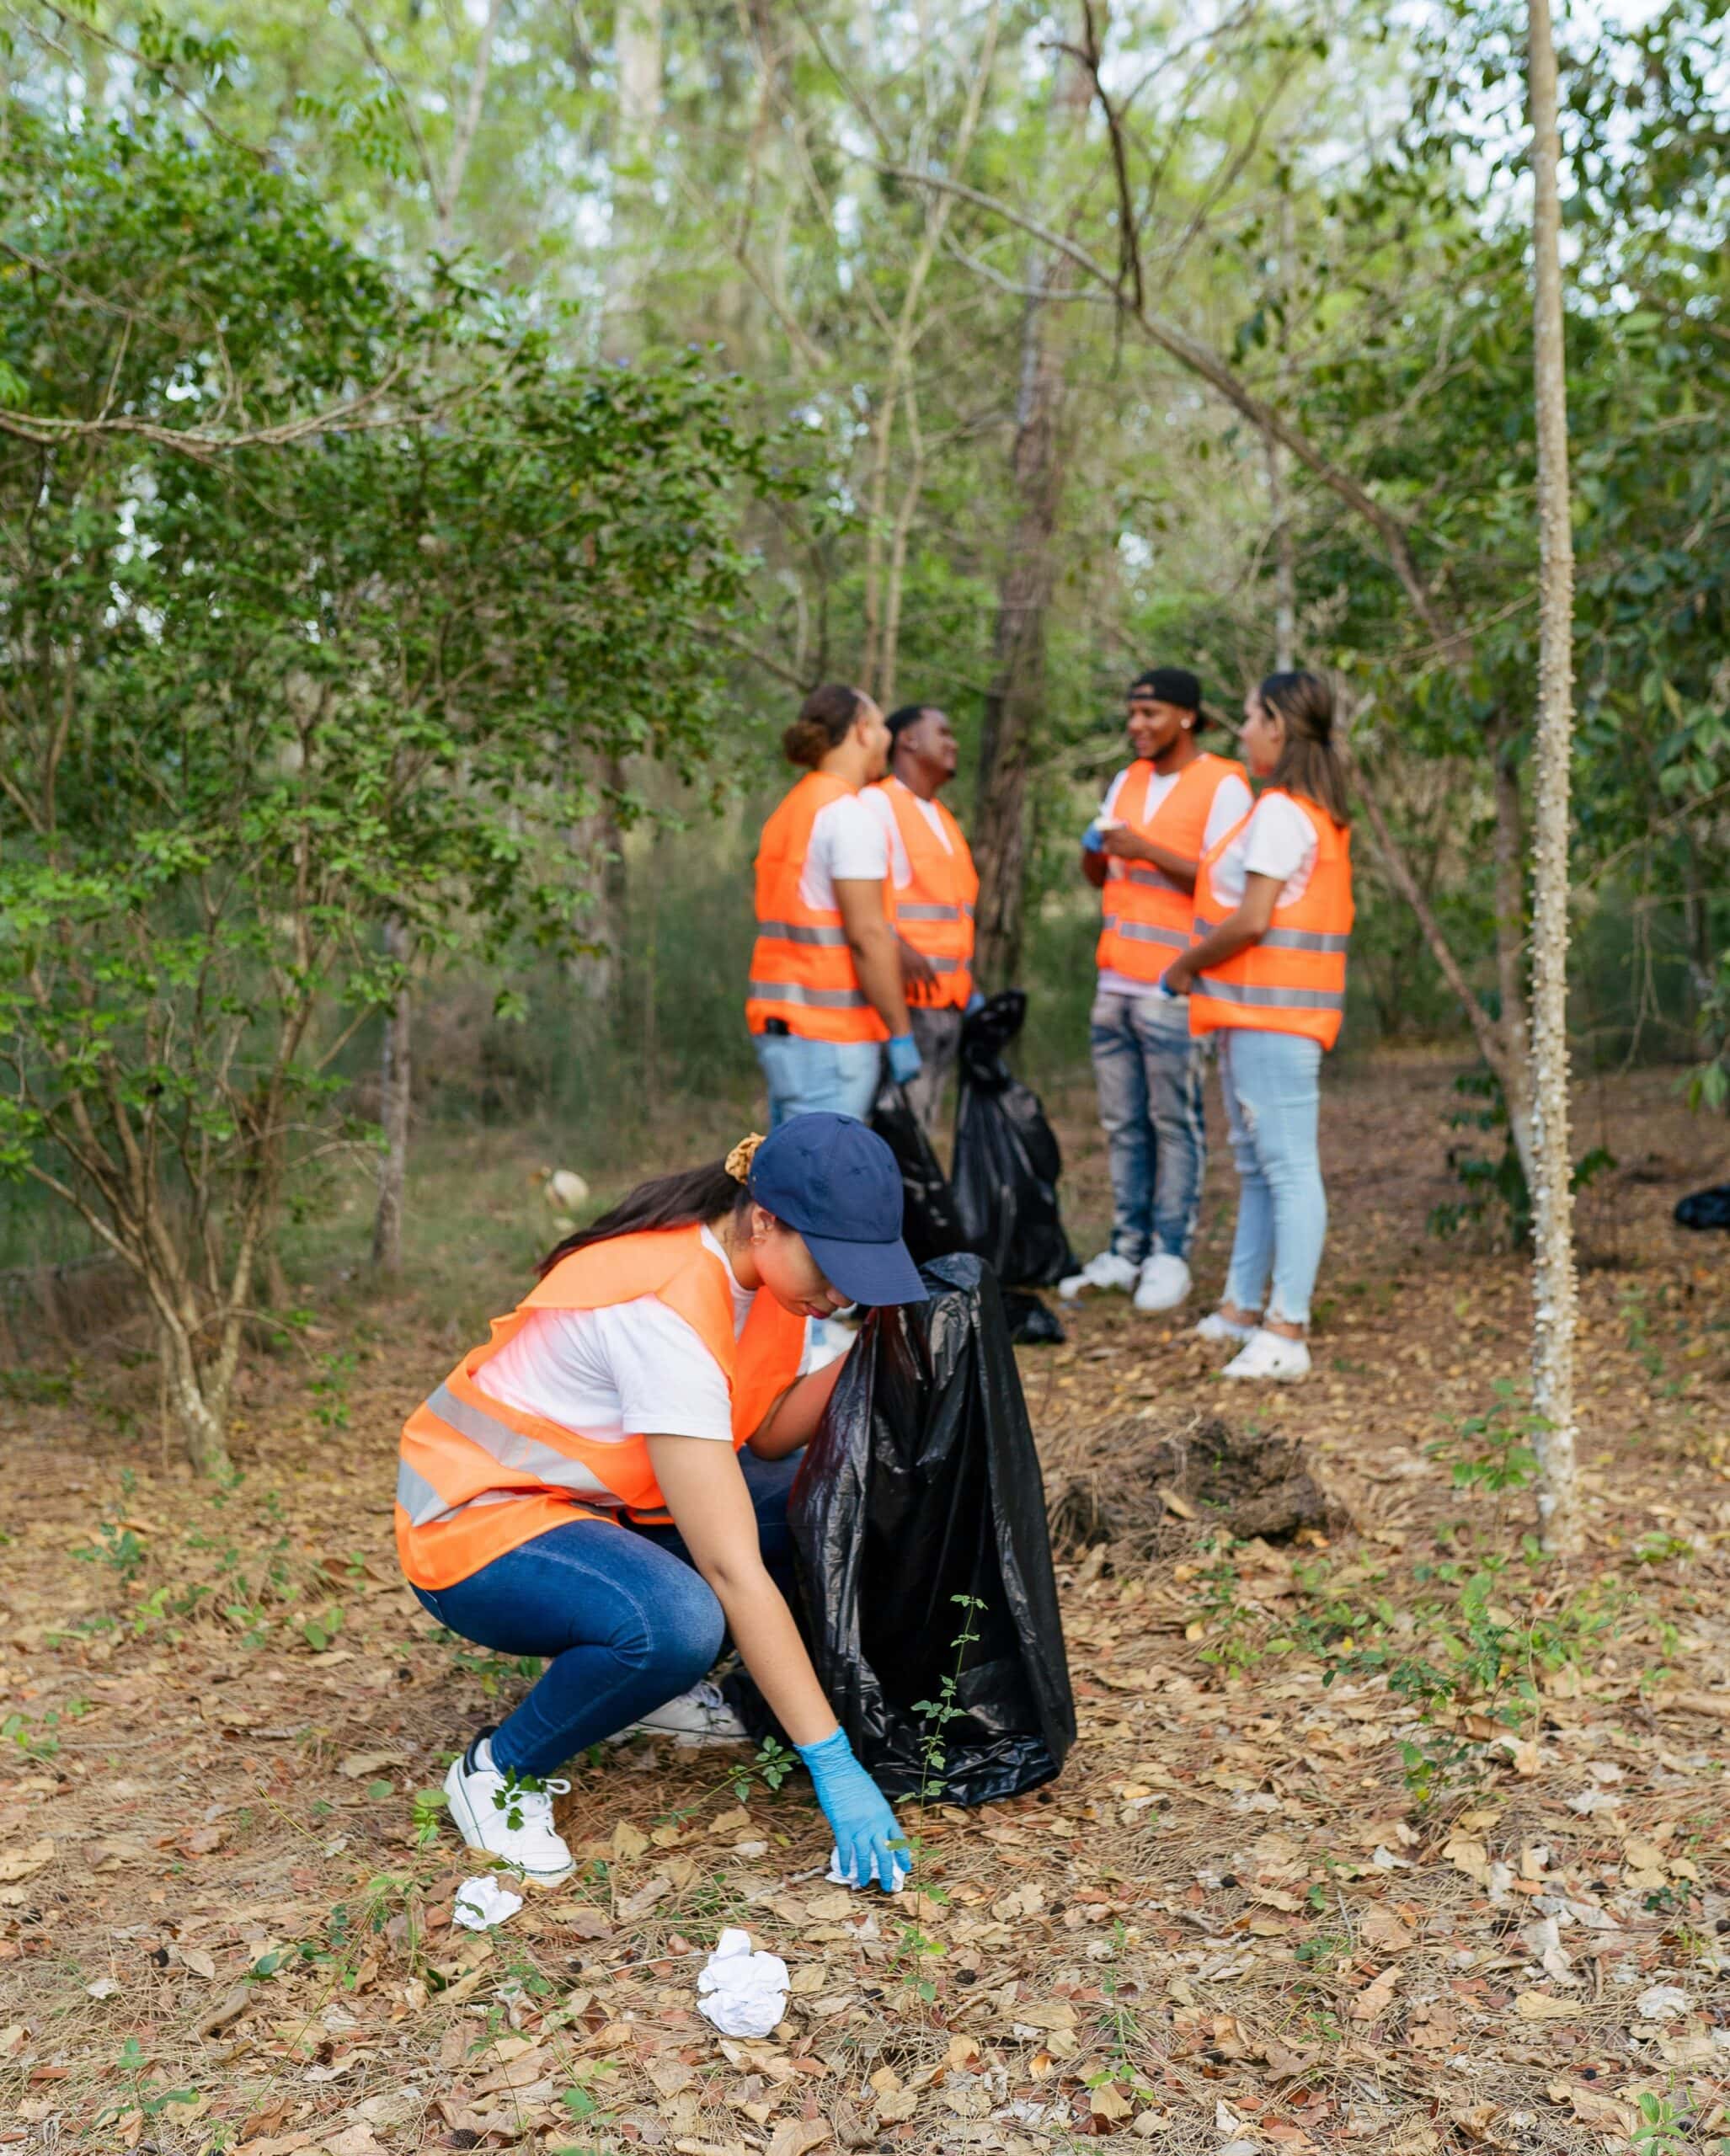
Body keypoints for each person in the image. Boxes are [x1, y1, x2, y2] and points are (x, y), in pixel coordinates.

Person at [397, 1113, 922, 1891]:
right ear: (765, 1221)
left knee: (817, 1501)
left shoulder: (763, 1279)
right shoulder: (663, 1310)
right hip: (476, 1529)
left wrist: (870, 1356)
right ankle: (498, 1772)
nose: (842, 1292)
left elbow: (770, 1434)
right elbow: (730, 1565)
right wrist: (833, 1764)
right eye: (834, 1265)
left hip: (591, 1510)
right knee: (678, 1621)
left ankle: (641, 1692)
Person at [1160, 670, 1354, 1382]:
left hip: (1275, 1017)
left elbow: (1252, 918)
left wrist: (1184, 967)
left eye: (1248, 716)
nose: (1240, 730)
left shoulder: (1282, 813)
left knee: (1287, 1166)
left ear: (1277, 724)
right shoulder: (1312, 813)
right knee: (1260, 1166)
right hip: (1263, 1014)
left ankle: (1286, 1327)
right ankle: (1244, 1308)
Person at [1066, 667, 1251, 1314]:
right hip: (1113, 980)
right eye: (1132, 713)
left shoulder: (1224, 784)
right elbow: (1103, 874)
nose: (1136, 725)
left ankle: (1171, 1251)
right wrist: (1095, 852)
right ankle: (1128, 1247)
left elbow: (1226, 885)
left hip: (1174, 984)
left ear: (1187, 718)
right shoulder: (1127, 779)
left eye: (1150, 714)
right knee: (1123, 1123)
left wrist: (1143, 847)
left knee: (1174, 1121)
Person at [747, 685, 920, 1129]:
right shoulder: (849, 816)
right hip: (831, 1040)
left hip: (782, 1031)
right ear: (862, 731)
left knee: (786, 1176)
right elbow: (866, 937)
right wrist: (900, 1032)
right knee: (820, 1185)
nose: (888, 738)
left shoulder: (792, 809)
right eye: (882, 726)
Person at [862, 703, 980, 1134]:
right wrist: (894, 945)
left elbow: (954, 917)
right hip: (902, 1004)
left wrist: (971, 990)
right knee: (891, 1136)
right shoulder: (878, 804)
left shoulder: (942, 818)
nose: (954, 743)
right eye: (943, 733)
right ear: (908, 740)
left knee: (919, 1136)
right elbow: (858, 897)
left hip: (946, 1005)